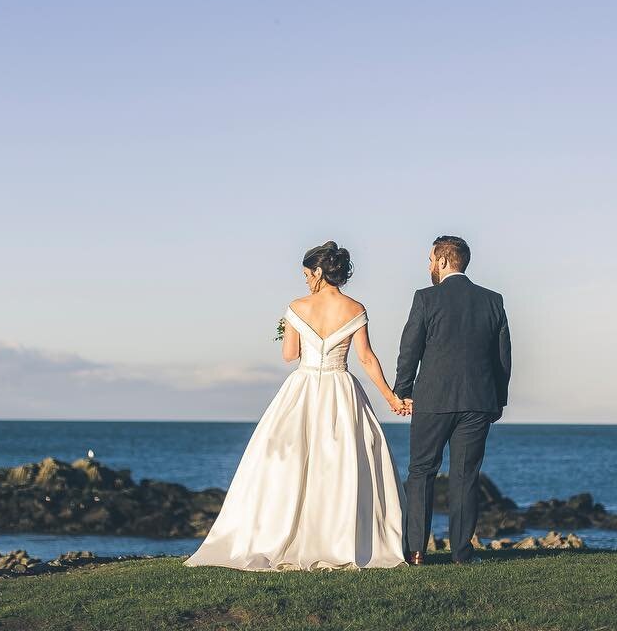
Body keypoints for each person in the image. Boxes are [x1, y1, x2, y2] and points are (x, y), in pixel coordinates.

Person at [184, 241, 408, 570]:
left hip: (303, 387)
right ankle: (339, 537)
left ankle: (282, 534)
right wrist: (390, 396)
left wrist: (296, 333)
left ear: (318, 272)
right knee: (341, 461)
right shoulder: (355, 308)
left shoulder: (297, 307)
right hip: (340, 387)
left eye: (306, 273)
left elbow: (289, 355)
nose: (304, 279)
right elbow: (366, 358)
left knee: (287, 459)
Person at [393, 234, 512, 565]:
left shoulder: (425, 298)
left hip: (432, 399)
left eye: (431, 259)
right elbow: (503, 357)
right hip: (478, 401)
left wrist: (403, 390)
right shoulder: (493, 300)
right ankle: (462, 553)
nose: (429, 265)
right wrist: (498, 400)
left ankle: (416, 551)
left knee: (421, 472)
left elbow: (410, 350)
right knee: (465, 476)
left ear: (443, 261)